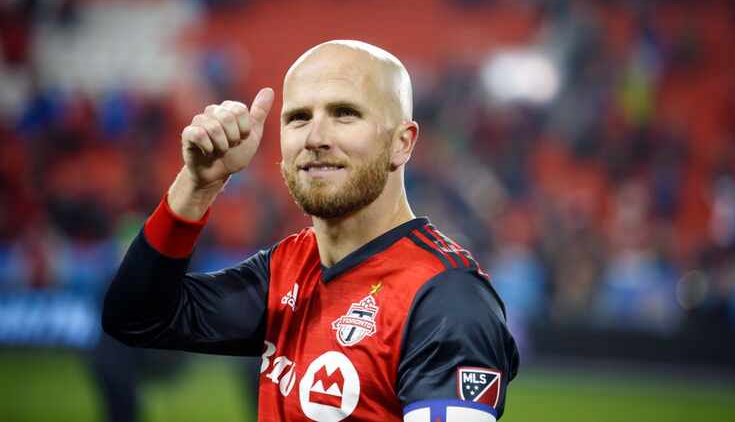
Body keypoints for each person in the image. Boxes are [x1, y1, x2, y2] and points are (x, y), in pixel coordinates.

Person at [102, 40, 519, 421]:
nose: (316, 137)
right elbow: (136, 319)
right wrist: (197, 186)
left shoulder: (446, 298)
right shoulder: (285, 268)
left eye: (345, 113)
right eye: (299, 118)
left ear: (402, 143)